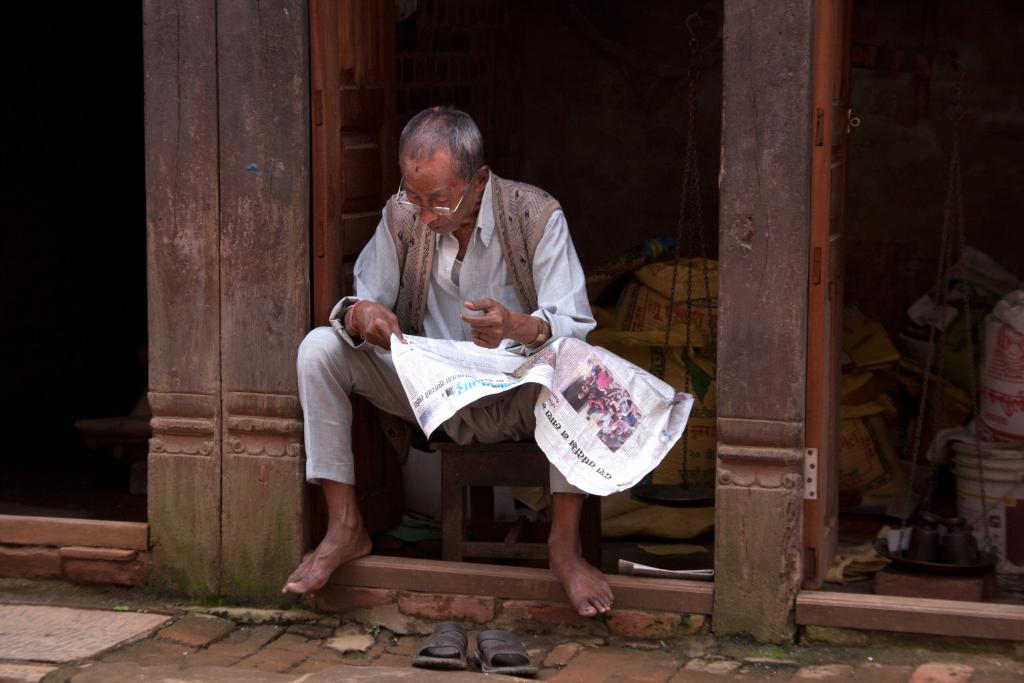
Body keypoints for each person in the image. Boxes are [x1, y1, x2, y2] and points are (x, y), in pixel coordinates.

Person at [284, 107, 613, 617]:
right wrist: (362, 314)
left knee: (579, 366)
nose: (425, 213)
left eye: (439, 199)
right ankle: (345, 526)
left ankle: (564, 548)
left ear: (479, 180)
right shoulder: (403, 214)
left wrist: (516, 325)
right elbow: (364, 302)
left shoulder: (537, 215)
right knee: (319, 349)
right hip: (429, 393)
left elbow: (573, 325)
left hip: (518, 393)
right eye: (413, 196)